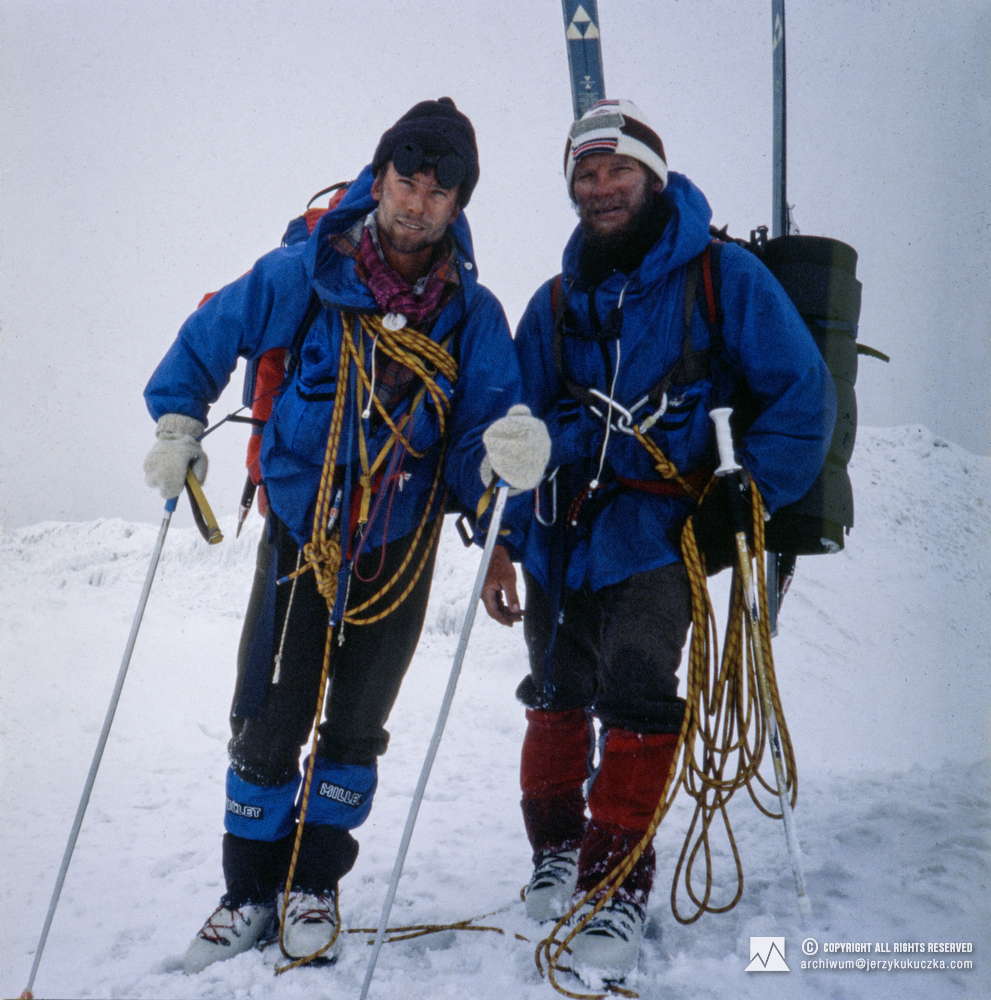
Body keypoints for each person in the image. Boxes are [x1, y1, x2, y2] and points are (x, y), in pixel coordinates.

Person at [143, 97, 548, 973]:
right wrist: (179, 424)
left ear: (458, 204)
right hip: (302, 531)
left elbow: (485, 427)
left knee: (356, 726)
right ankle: (247, 892)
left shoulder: (471, 316)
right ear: (381, 177)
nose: (418, 202)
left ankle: (315, 885)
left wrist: (502, 468)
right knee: (267, 718)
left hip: (399, 542)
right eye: (407, 179)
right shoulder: (303, 274)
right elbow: (206, 339)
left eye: (440, 190)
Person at [481, 98, 836, 979]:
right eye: (585, 176)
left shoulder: (721, 277)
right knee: (554, 690)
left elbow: (800, 393)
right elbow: (514, 428)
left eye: (617, 171)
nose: (600, 189)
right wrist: (503, 537)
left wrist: (749, 496)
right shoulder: (555, 302)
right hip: (561, 532)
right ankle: (555, 849)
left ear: (653, 177)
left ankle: (613, 884)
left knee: (638, 695)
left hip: (660, 531)